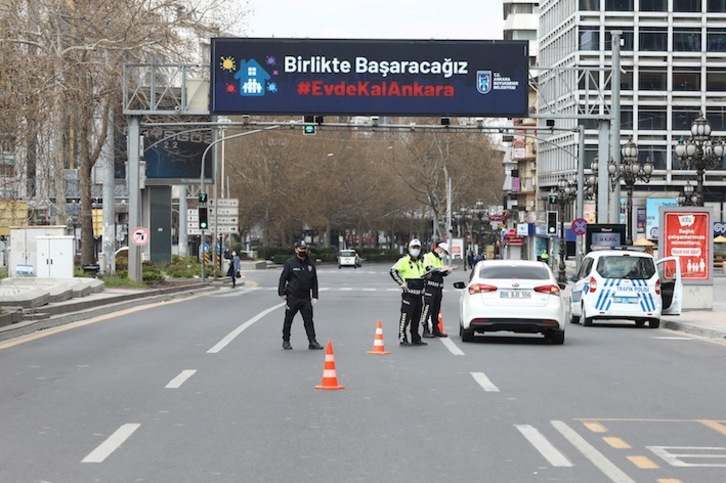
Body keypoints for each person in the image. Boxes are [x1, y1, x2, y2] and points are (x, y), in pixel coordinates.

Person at [277, 241, 324, 350]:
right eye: (300, 249)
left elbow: (314, 281)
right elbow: (283, 278)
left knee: (309, 320)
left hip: (305, 297)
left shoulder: (310, 264)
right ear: (296, 250)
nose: (303, 251)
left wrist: (315, 295)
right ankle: (286, 340)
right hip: (293, 297)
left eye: (304, 249)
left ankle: (312, 341)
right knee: (288, 320)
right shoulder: (290, 263)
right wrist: (282, 293)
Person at [390, 239, 428, 347]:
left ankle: (415, 338)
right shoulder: (404, 260)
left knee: (416, 317)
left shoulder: (420, 262)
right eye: (413, 247)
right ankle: (403, 337)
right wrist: (401, 283)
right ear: (409, 248)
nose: (415, 250)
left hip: (419, 294)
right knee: (405, 316)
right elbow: (393, 271)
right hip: (409, 294)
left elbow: (423, 274)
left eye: (417, 248)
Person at [421, 242, 450, 338]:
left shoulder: (439, 259)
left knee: (436, 309)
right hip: (430, 287)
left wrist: (447, 271)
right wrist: (440, 269)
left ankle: (435, 329)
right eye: (444, 252)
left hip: (438, 287)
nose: (444, 254)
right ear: (440, 249)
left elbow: (441, 273)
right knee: (428, 308)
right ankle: (425, 329)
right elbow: (429, 269)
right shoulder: (427, 256)